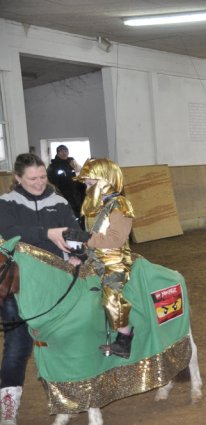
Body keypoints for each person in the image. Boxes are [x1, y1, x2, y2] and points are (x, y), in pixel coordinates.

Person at [0, 153, 82, 425]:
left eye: (43, 177)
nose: (39, 183)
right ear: (18, 178)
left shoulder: (59, 202)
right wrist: (47, 233)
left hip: (55, 285)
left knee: (59, 343)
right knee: (17, 345)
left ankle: (65, 399)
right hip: (18, 286)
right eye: (32, 178)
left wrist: (77, 253)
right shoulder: (6, 203)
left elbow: (74, 233)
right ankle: (8, 407)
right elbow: (10, 231)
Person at [70, 158, 135, 359]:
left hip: (114, 261)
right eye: (86, 184)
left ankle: (125, 338)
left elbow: (115, 239)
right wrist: (81, 252)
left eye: (91, 183)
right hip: (94, 258)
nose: (87, 188)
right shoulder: (98, 206)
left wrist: (86, 238)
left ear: (106, 181)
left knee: (111, 295)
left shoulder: (120, 205)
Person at [47, 145, 85, 220]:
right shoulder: (53, 166)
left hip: (76, 197)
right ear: (57, 153)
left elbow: (81, 177)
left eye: (65, 151)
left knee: (79, 217)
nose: (64, 153)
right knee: (67, 217)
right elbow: (50, 183)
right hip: (63, 197)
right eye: (61, 151)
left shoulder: (73, 163)